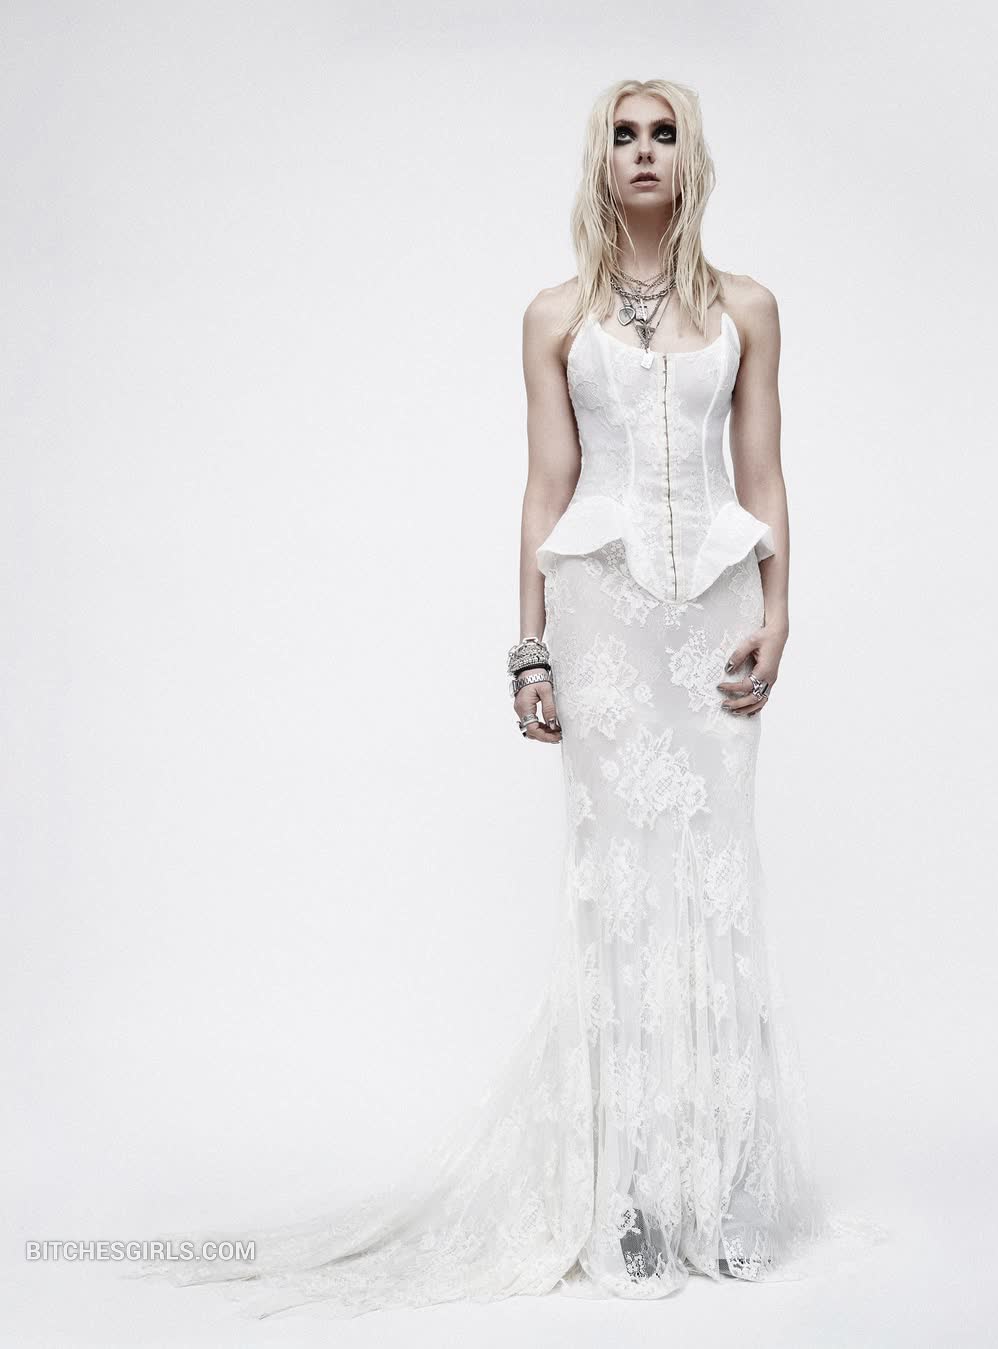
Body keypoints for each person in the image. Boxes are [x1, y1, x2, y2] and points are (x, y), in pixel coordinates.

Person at [124, 76, 886, 1321]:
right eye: (624, 136)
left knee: (714, 879)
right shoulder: (553, 315)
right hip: (601, 619)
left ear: (693, 160)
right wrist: (529, 650)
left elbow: (765, 472)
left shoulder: (748, 307)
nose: (645, 152)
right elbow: (546, 485)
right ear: (600, 163)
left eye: (665, 134)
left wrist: (782, 609)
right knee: (617, 892)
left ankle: (724, 1190)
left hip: (714, 617)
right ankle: (626, 1196)